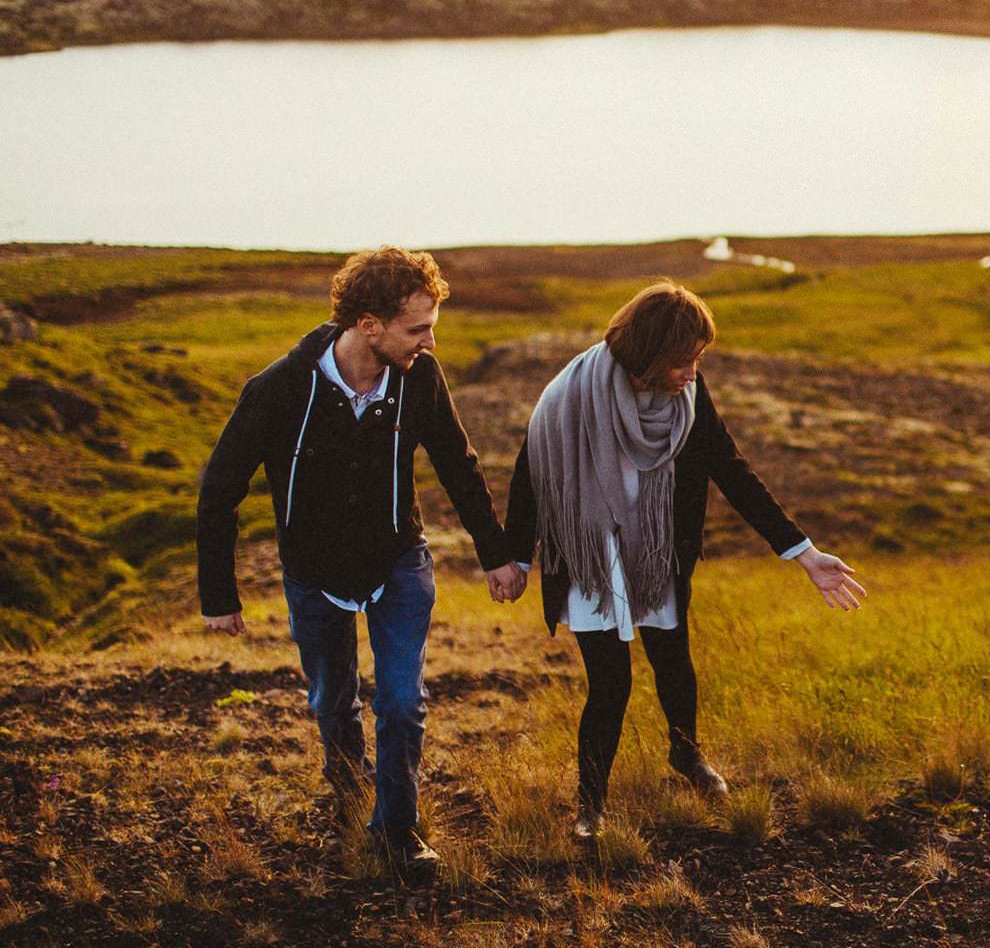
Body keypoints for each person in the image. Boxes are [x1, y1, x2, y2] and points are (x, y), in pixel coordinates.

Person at [196, 246, 522, 881]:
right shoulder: (278, 389)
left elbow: (457, 465)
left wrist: (496, 555)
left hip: (398, 561)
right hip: (313, 572)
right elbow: (220, 489)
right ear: (368, 325)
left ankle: (398, 831)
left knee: (400, 702)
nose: (430, 342)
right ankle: (348, 787)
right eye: (418, 328)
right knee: (332, 700)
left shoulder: (419, 378)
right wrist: (219, 595)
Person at [495, 281, 867, 839]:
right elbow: (530, 477)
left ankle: (686, 753)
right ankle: (591, 807)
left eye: (698, 359)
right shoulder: (569, 396)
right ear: (648, 354)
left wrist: (802, 551)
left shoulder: (688, 397)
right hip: (591, 557)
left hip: (657, 553)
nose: (692, 373)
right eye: (682, 361)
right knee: (611, 683)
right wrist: (517, 559)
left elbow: (731, 468)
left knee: (673, 662)